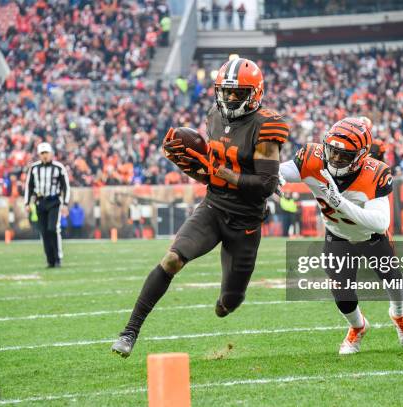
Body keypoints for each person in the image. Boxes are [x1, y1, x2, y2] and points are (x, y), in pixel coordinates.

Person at [112, 58, 289, 358]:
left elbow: (266, 185)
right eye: (226, 91)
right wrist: (188, 167)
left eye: (238, 93)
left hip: (245, 222)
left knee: (229, 302)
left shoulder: (266, 125)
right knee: (171, 260)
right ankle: (129, 332)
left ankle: (226, 301)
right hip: (213, 207)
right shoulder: (214, 115)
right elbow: (208, 172)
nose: (230, 98)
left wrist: (222, 173)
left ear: (255, 94)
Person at [279, 117, 403, 355]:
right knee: (342, 297)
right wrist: (271, 179)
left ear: (361, 156)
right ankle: (358, 327)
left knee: (393, 281)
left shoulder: (376, 172)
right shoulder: (312, 158)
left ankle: (399, 316)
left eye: (344, 156)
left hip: (371, 237)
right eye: (332, 152)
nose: (334, 160)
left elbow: (380, 222)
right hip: (337, 236)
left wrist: (340, 203)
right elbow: (281, 171)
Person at [24, 142, 71, 268]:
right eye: (42, 153)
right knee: (44, 232)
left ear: (51, 153)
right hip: (40, 202)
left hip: (54, 201)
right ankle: (50, 260)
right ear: (39, 155)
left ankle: (57, 258)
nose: (44, 156)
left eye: (46, 153)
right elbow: (29, 186)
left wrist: (65, 203)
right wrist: (27, 202)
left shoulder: (59, 167)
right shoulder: (34, 168)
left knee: (52, 229)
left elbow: (65, 186)